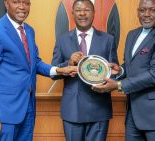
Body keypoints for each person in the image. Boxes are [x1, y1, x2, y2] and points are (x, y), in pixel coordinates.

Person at [0, 0, 77, 140]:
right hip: (5, 114)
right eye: (16, 2)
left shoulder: (29, 31)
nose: (22, 7)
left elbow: (34, 63)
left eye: (26, 3)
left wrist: (60, 70)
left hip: (28, 108)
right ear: (6, 4)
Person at [92, 0, 155, 141]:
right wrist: (120, 70)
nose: (146, 14)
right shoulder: (132, 35)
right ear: (138, 12)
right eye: (142, 10)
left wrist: (118, 85)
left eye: (152, 10)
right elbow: (132, 65)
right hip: (133, 115)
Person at [51, 0, 119, 141]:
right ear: (72, 13)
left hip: (99, 109)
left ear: (94, 13)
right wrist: (69, 62)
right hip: (72, 111)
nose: (82, 13)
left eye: (87, 10)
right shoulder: (62, 40)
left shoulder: (108, 39)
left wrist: (115, 74)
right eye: (78, 10)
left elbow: (115, 72)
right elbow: (54, 73)